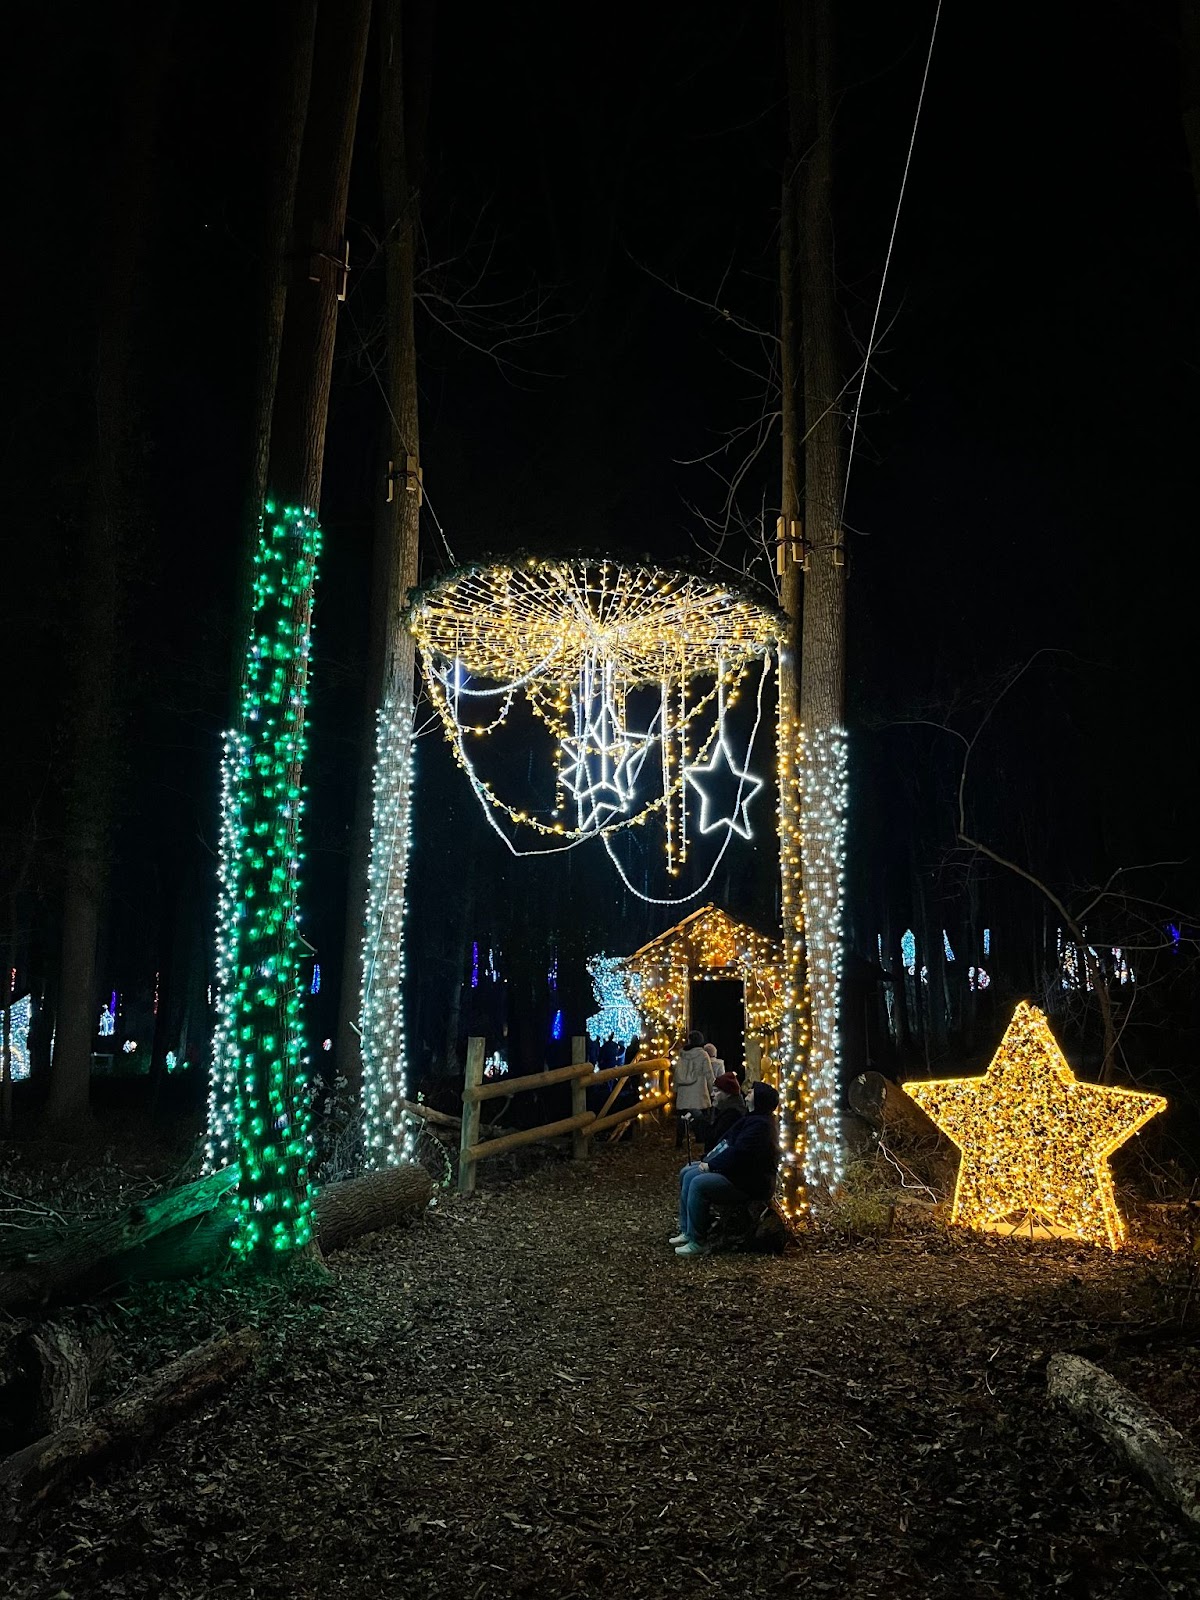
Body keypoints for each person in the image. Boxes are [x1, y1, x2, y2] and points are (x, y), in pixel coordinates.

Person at [670, 1081, 780, 1256]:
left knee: (698, 1183)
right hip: (737, 1173)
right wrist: (709, 1161)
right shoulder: (751, 1119)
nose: (747, 1094)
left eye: (751, 1093)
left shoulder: (761, 1126)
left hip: (749, 1182)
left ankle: (697, 1240)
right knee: (687, 1172)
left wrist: (713, 1165)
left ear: (759, 1099)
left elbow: (739, 1154)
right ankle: (687, 1230)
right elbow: (727, 1143)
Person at [672, 1029, 714, 1150]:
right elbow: (708, 1074)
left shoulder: (682, 1054)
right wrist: (713, 1090)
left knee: (682, 1117)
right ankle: (700, 1138)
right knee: (700, 1116)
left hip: (684, 1091)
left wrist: (675, 1089)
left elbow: (677, 1073)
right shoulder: (703, 1055)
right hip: (698, 1091)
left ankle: (679, 1141)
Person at [701, 1072, 745, 1153]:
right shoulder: (727, 1109)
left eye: (716, 1091)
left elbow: (715, 1137)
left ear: (727, 1093)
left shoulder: (732, 1113)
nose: (712, 1094)